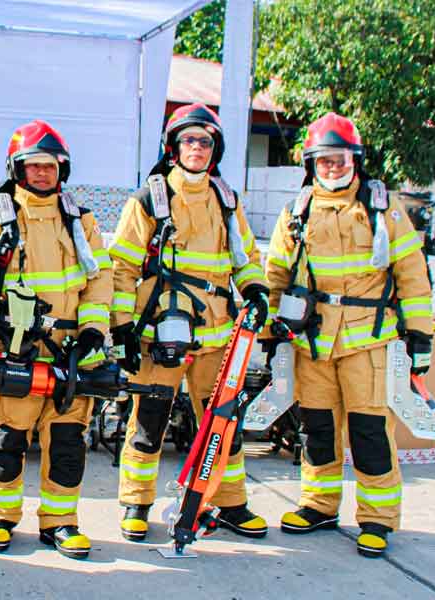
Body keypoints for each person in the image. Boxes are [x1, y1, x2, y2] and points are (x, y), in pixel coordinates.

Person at [265, 113, 432, 558]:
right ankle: (318, 505)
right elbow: (277, 275)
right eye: (324, 160)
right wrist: (269, 332)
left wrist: (419, 334)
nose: (332, 167)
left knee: (370, 432)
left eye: (339, 159)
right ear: (311, 164)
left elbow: (412, 273)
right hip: (312, 342)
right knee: (317, 430)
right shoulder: (296, 212)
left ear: (354, 160)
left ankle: (377, 519)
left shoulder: (383, 208)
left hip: (367, 342)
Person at [0, 120, 113, 560]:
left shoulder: (82, 221)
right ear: (17, 169)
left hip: (72, 353)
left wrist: (94, 330)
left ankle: (61, 523)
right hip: (13, 349)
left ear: (63, 170)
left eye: (50, 166)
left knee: (67, 444)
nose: (42, 174)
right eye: (33, 166)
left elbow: (100, 279)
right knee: (6, 441)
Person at [109, 103, 270, 542]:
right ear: (173, 147)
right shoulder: (149, 199)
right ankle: (136, 505)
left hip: (217, 338)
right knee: (149, 422)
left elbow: (246, 259)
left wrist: (255, 289)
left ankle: (231, 502)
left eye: (204, 141)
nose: (196, 148)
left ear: (214, 149)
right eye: (188, 140)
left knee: (223, 424)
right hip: (161, 333)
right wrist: (122, 326)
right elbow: (121, 267)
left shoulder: (226, 200)